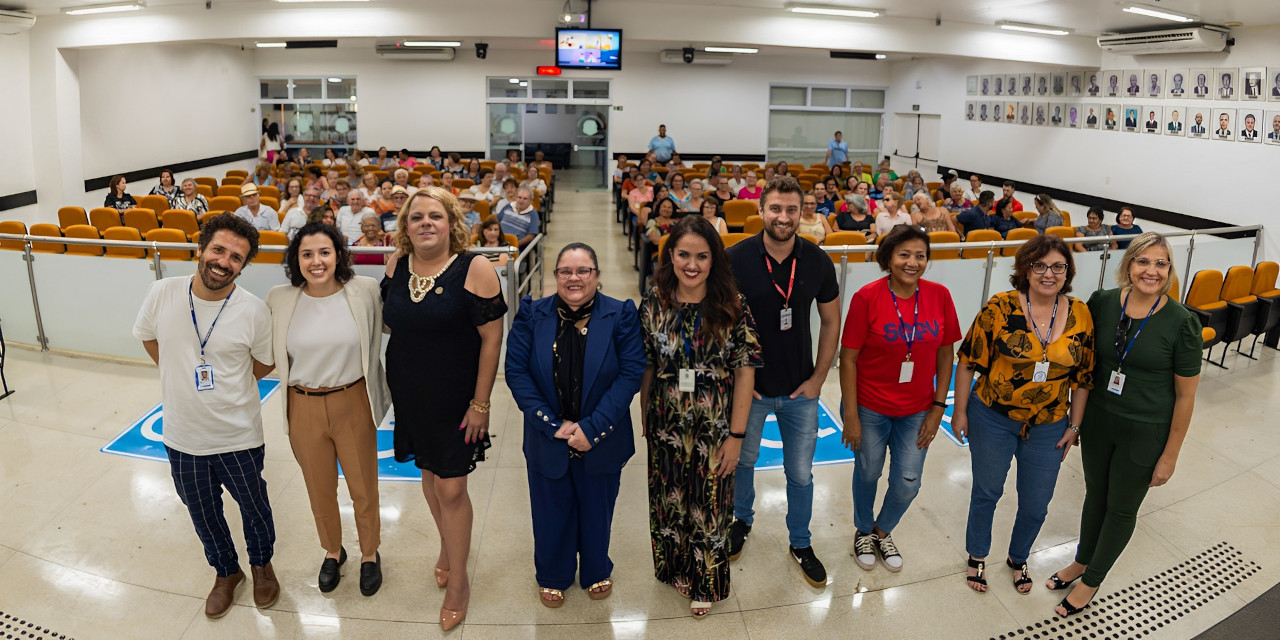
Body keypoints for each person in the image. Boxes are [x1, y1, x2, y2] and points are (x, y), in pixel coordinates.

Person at [132, 213, 278, 619]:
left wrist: (228, 387)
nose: (224, 262)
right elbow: (147, 335)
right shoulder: (162, 292)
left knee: (255, 508)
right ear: (201, 249)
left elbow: (263, 364)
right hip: (182, 435)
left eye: (236, 257)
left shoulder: (253, 310)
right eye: (218, 250)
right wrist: (176, 374)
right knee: (202, 511)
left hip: (239, 436)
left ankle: (262, 566)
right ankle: (226, 572)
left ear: (243, 266)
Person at [1049, 232, 1202, 618]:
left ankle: (1091, 581)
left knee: (1120, 508)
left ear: (1169, 271)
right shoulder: (1102, 302)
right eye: (1143, 261)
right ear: (1128, 264)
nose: (1151, 271)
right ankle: (1081, 561)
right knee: (1094, 494)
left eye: (1160, 263)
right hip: (1100, 421)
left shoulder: (1182, 322)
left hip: (1145, 429)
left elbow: (1185, 397)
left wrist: (1170, 456)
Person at [381, 186, 506, 630]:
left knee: (452, 488)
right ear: (406, 227)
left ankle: (460, 583)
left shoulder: (475, 268)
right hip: (411, 393)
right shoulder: (396, 264)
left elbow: (492, 340)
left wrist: (481, 403)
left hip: (457, 397)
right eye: (417, 218)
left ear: (451, 222)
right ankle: (448, 547)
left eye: (435, 215)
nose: (426, 223)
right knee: (430, 476)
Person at [504, 243, 643, 608]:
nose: (574, 278)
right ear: (555, 277)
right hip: (546, 437)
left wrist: (591, 428)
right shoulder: (532, 314)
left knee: (598, 507)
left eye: (583, 271)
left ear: (597, 275)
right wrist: (554, 426)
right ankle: (553, 573)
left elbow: (630, 374)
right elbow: (517, 373)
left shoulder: (621, 314)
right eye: (565, 271)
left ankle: (597, 567)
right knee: (550, 509)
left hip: (604, 437)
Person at [952, 234, 1093, 594]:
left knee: (1036, 502)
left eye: (1058, 266)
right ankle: (977, 556)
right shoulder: (1000, 308)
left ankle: (1018, 557)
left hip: (1049, 425)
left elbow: (1084, 377)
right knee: (987, 490)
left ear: (1067, 271)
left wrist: (1074, 425)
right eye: (1039, 265)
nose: (1049, 273)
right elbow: (968, 361)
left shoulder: (1080, 314)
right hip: (993, 417)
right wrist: (960, 412)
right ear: (1025, 270)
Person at [639, 215, 761, 617]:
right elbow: (648, 366)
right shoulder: (654, 302)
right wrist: (645, 420)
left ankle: (705, 581)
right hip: (666, 423)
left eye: (702, 256)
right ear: (670, 255)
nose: (692, 264)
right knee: (670, 502)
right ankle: (674, 568)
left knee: (709, 505)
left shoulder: (732, 305)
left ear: (714, 260)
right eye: (684, 254)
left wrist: (737, 435)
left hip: (716, 427)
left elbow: (745, 370)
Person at [727, 175, 841, 589]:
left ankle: (801, 542)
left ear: (802, 212)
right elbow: (719, 323)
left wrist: (818, 379)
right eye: (775, 208)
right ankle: (741, 521)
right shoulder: (736, 258)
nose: (784, 216)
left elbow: (831, 322)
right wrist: (735, 378)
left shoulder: (816, 260)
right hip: (749, 389)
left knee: (801, 474)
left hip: (800, 391)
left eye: (792, 209)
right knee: (742, 461)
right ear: (761, 210)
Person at [265, 222, 389, 596]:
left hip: (352, 400)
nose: (316, 262)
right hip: (302, 405)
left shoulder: (364, 291)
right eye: (306, 254)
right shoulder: (280, 298)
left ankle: (370, 553)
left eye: (324, 252)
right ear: (295, 260)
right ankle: (333, 551)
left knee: (363, 487)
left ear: (338, 255)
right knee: (319, 488)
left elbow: (398, 328)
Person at [840, 224, 960, 574]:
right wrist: (851, 415)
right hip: (871, 406)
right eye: (904, 254)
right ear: (888, 259)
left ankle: (881, 531)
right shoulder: (867, 297)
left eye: (920, 255)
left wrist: (939, 408)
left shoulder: (939, 296)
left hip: (917, 409)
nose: (913, 262)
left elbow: (945, 354)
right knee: (868, 472)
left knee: (908, 482)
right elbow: (848, 358)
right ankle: (863, 530)